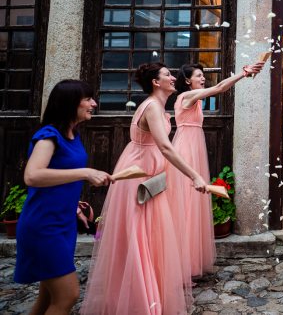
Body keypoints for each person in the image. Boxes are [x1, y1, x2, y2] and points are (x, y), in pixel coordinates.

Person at [81, 62, 209, 315]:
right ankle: (139, 299)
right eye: (167, 75)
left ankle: (151, 294)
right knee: (140, 236)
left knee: (151, 237)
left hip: (153, 177)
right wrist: (194, 175)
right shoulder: (151, 106)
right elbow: (164, 146)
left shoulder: (158, 106)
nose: (174, 78)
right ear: (155, 82)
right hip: (141, 178)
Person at [13, 80, 113, 315]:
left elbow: (57, 176)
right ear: (70, 103)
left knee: (47, 299)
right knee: (68, 296)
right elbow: (32, 176)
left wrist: (73, 203)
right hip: (43, 226)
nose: (94, 104)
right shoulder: (48, 135)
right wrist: (86, 173)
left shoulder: (72, 133)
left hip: (63, 223)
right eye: (88, 99)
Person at [172, 61, 264, 280]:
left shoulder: (194, 97)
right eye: (198, 76)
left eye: (203, 75)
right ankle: (180, 269)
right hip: (186, 149)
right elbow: (220, 88)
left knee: (192, 205)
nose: (203, 78)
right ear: (187, 81)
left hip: (194, 145)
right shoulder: (186, 96)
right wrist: (244, 73)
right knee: (185, 204)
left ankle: (187, 265)